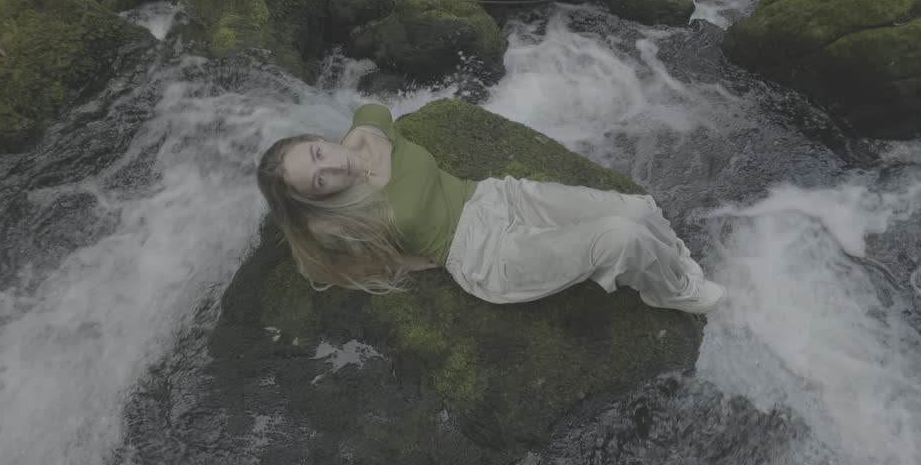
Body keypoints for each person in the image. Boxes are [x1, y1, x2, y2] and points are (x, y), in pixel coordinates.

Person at [257, 103, 726, 313]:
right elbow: (325, 265)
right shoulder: (342, 218)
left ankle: (668, 258)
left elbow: (372, 108)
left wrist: (367, 137)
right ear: (319, 196)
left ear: (317, 139)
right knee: (619, 238)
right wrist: (402, 264)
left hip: (498, 196)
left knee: (638, 209)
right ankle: (671, 292)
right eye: (320, 180)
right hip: (486, 255)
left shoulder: (367, 137)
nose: (333, 166)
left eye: (318, 153)